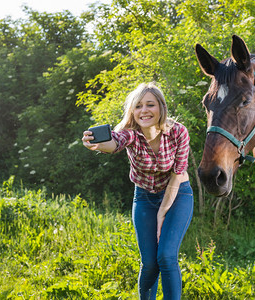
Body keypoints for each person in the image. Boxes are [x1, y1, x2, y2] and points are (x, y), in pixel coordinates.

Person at [82, 82, 193, 300]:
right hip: (143, 197)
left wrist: (162, 212)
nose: (144, 111)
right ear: (132, 111)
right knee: (150, 263)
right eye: (138, 106)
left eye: (150, 105)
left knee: (167, 257)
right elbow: (116, 142)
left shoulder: (178, 132)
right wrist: (97, 145)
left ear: (161, 107)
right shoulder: (130, 134)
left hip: (177, 194)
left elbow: (177, 174)